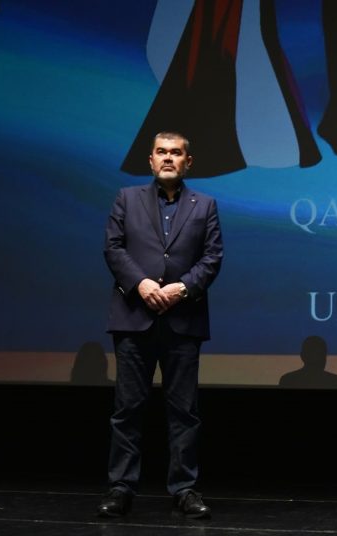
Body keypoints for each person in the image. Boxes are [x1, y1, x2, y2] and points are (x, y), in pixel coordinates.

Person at [98, 131, 223, 518]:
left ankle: (184, 489)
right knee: (128, 409)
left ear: (188, 161)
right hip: (134, 318)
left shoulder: (206, 205)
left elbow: (212, 257)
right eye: (161, 152)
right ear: (150, 160)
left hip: (183, 320)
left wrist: (182, 288)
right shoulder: (126, 198)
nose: (168, 158)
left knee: (184, 411)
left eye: (176, 153)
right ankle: (121, 487)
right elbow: (113, 248)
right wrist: (141, 284)